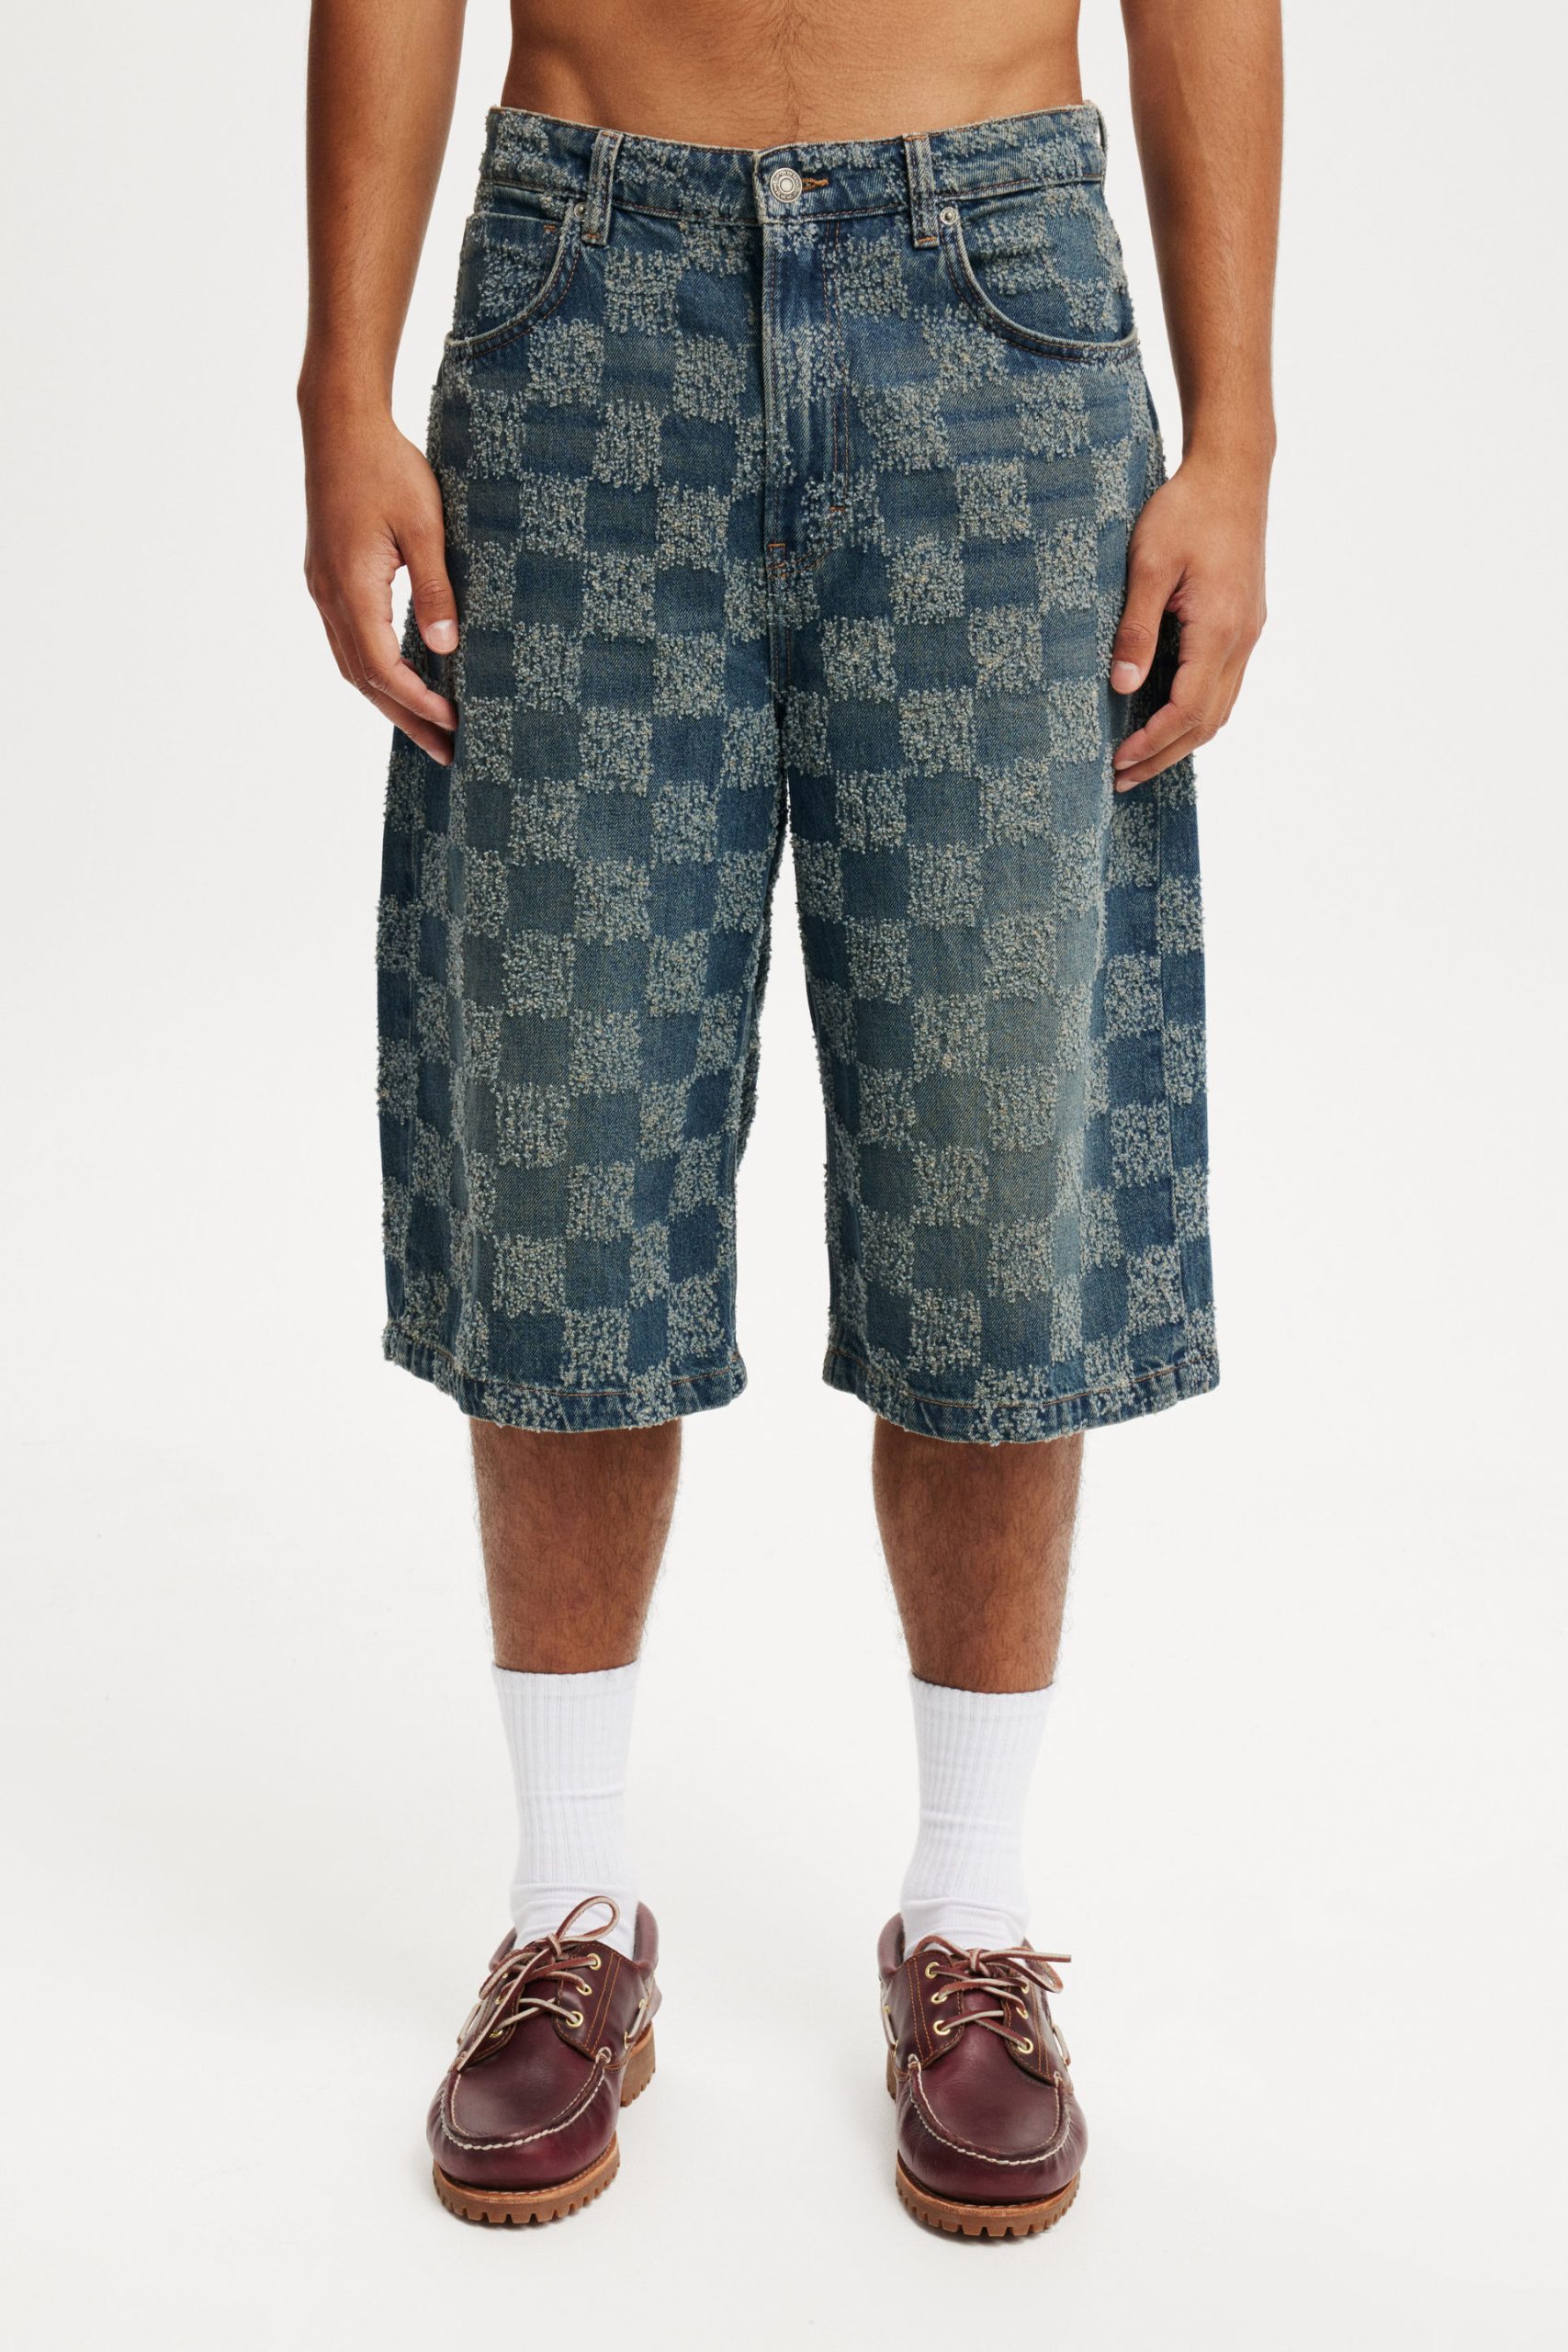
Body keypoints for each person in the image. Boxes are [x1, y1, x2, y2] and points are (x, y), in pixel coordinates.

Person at [299, 0, 1279, 2238]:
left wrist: (1232, 438)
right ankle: (568, 1907)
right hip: (582, 287)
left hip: (994, 307)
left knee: (995, 1136)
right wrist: (339, 388)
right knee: (560, 1133)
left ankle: (969, 1913)